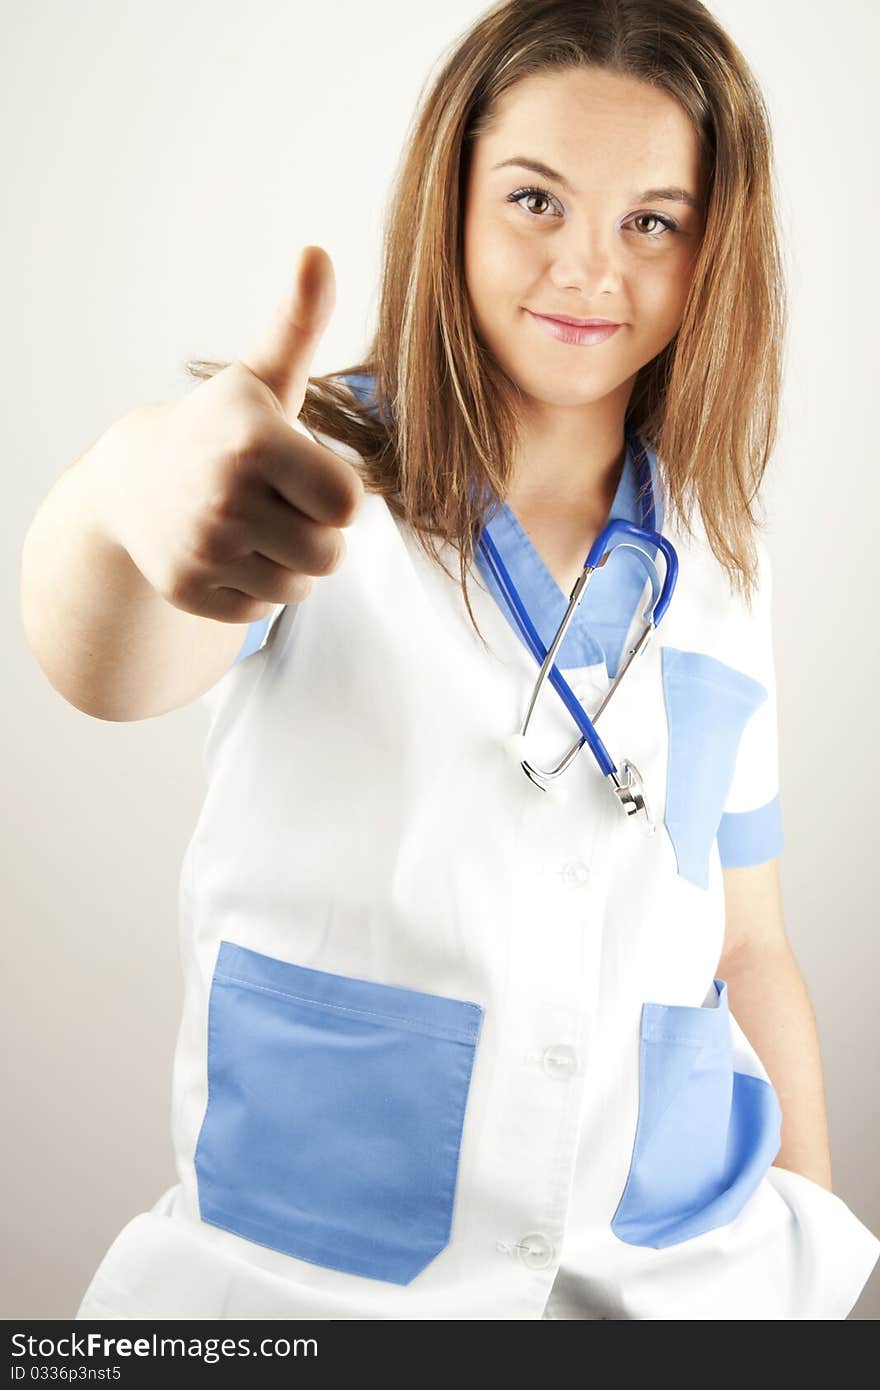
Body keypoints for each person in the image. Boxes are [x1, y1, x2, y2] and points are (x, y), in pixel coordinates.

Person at [20, 0, 880, 1320]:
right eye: (537, 200)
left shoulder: (716, 556)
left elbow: (751, 944)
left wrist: (822, 1260)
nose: (593, 269)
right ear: (454, 196)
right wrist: (125, 502)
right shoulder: (303, 485)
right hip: (303, 1293)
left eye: (654, 218)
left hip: (681, 1283)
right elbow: (103, 654)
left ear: (719, 248)